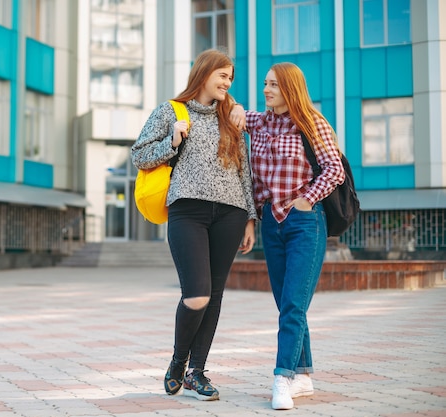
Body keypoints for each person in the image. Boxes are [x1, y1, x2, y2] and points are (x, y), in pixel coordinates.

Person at [131, 49, 257, 401]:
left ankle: (196, 372)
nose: (227, 83)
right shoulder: (171, 111)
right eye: (222, 75)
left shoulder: (232, 116)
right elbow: (138, 154)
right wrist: (172, 140)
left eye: (230, 78)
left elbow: (243, 168)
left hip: (230, 213)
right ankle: (177, 362)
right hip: (187, 211)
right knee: (197, 293)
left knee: (214, 294)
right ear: (204, 74)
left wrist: (250, 217)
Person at [240, 62, 345, 410]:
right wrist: (252, 220)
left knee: (293, 306)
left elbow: (334, 168)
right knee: (287, 304)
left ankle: (282, 377)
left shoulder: (312, 122)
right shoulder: (259, 122)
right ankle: (303, 375)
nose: (267, 89)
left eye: (274, 85)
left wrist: (308, 199)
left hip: (305, 222)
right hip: (271, 221)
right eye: (265, 83)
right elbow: (229, 109)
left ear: (290, 89)